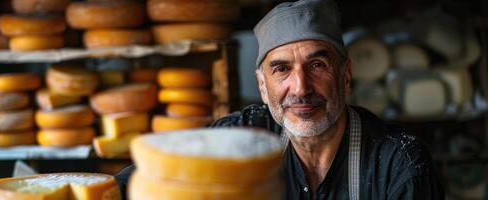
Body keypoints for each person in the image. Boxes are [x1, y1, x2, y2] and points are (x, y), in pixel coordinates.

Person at [116, 0, 445, 199]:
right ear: (262, 86)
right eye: (282, 69)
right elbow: (139, 181)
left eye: (317, 65)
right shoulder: (242, 137)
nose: (300, 88)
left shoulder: (399, 163)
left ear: (345, 76)